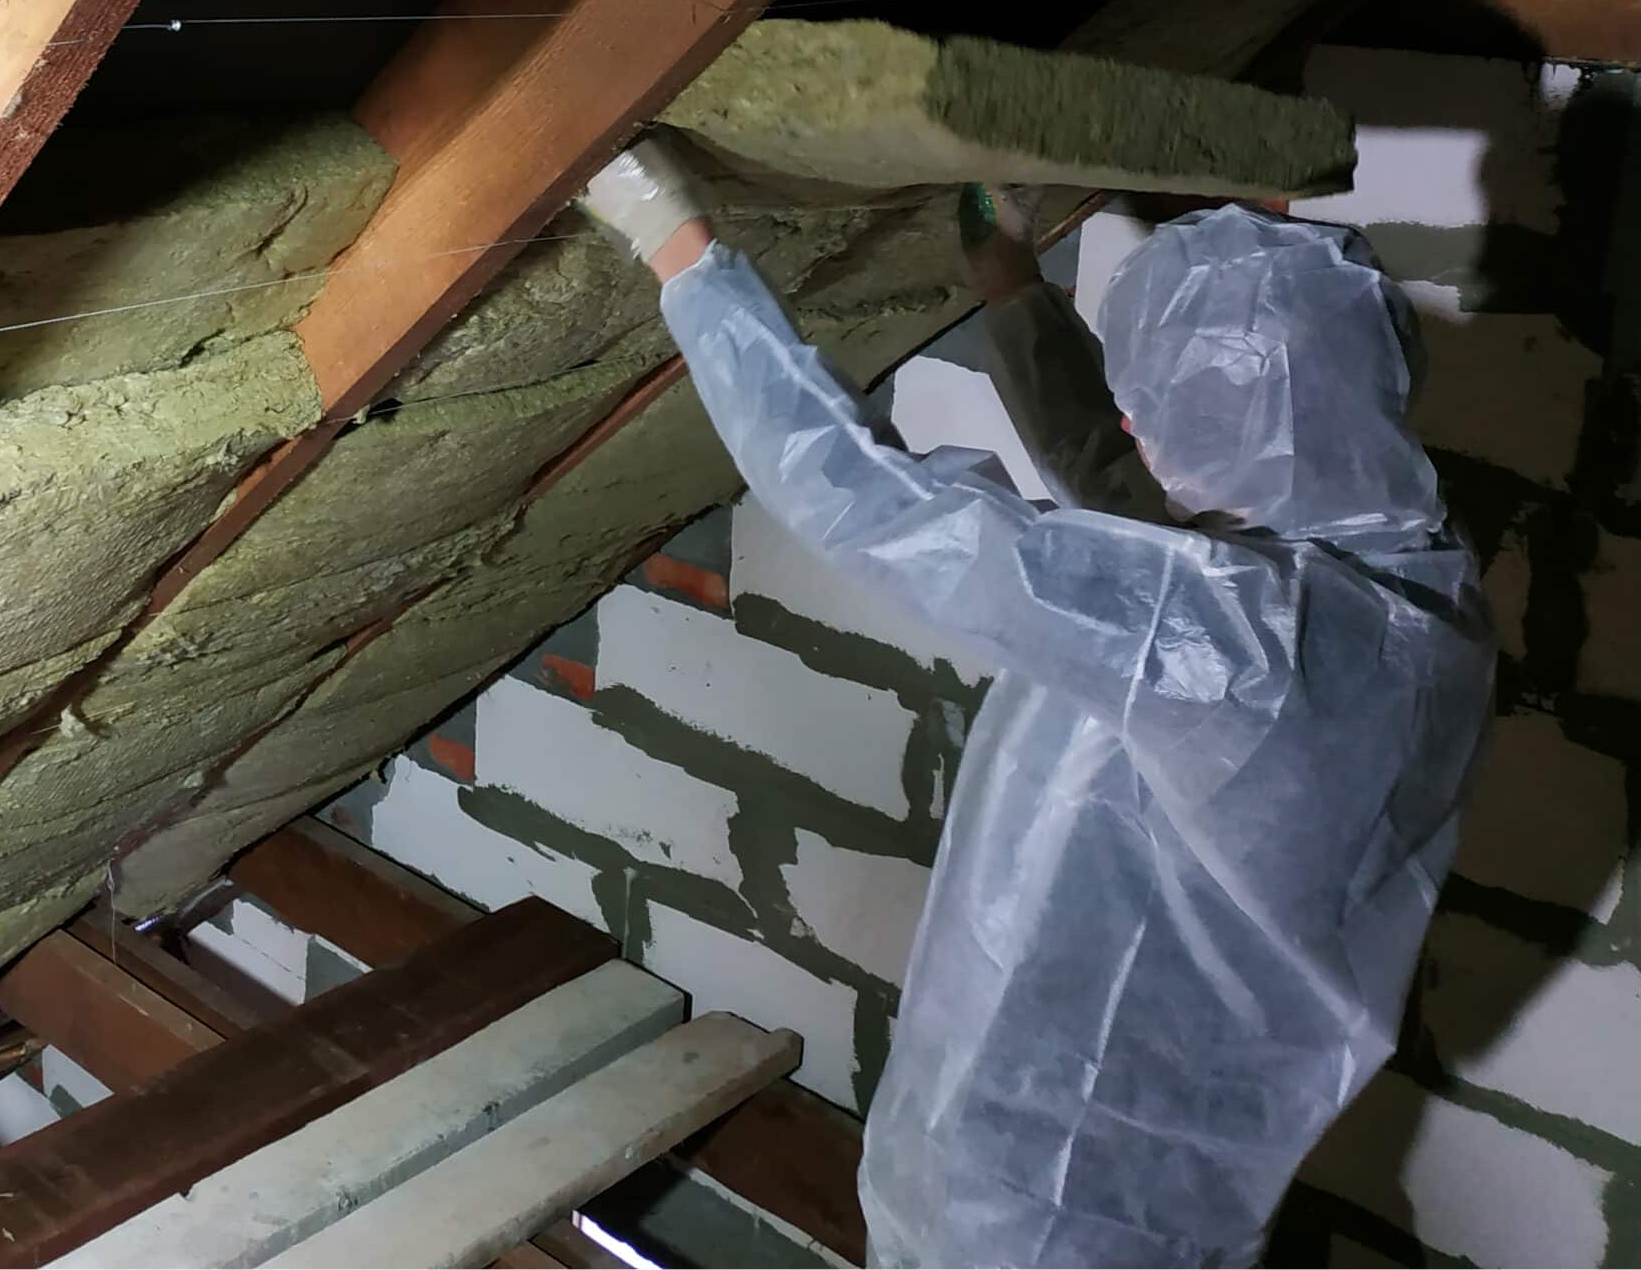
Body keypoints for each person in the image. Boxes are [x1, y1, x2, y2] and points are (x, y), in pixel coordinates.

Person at [579, 139, 1493, 1268]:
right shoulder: (1413, 585)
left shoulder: (1240, 648)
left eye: (1160, 409)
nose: (1137, 430)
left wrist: (679, 246)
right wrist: (1003, 271)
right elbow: (1126, 496)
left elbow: (876, 506)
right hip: (1162, 1187)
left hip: (1035, 1209)